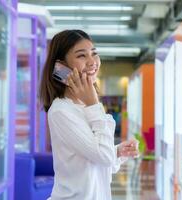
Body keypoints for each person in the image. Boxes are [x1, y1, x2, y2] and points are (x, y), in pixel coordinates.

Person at [39, 30, 139, 200]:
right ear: (60, 67)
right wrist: (94, 105)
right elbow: (103, 156)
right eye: (81, 56)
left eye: (94, 53)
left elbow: (96, 162)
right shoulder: (61, 111)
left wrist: (117, 152)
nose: (92, 62)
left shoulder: (85, 105)